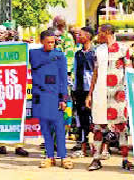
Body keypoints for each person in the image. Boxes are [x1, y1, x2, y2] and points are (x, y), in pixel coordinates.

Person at [86, 25, 133, 172]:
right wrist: (90, 94)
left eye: (100, 32)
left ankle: (125, 160)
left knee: (122, 127)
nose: (97, 35)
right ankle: (96, 159)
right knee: (98, 127)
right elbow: (95, 72)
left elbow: (129, 71)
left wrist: (130, 91)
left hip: (118, 95)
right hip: (100, 94)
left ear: (107, 33)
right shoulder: (98, 50)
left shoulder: (123, 49)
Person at [30, 30, 73, 169]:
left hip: (55, 96)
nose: (51, 45)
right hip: (40, 96)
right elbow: (14, 53)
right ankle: (49, 157)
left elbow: (63, 79)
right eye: (48, 42)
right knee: (45, 128)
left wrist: (63, 98)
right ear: (41, 41)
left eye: (53, 42)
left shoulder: (59, 56)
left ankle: (63, 157)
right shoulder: (33, 54)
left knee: (59, 128)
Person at [71, 26, 95, 158]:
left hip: (92, 91)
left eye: (80, 35)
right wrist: (74, 89)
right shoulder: (78, 54)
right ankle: (83, 147)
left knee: (96, 119)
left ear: (88, 37)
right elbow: (75, 72)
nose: (77, 37)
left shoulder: (95, 53)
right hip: (80, 90)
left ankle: (101, 148)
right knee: (82, 118)